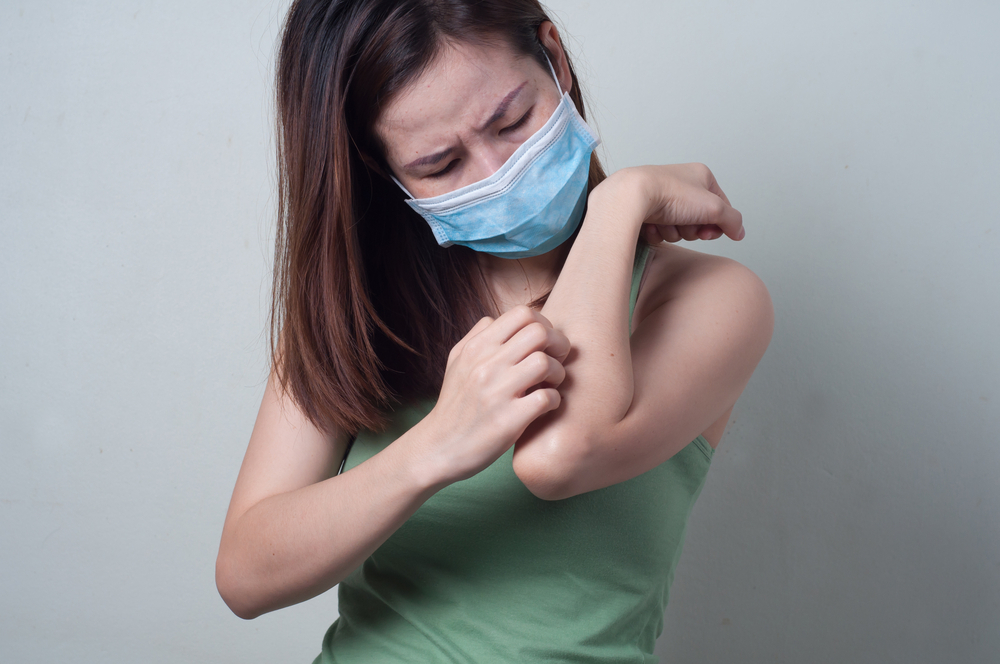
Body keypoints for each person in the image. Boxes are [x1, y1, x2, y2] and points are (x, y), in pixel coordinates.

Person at [216, 0, 774, 661]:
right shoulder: (361, 312)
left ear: (554, 59)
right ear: (383, 172)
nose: (495, 174)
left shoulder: (707, 298)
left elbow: (557, 456)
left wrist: (616, 207)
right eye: (439, 164)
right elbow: (246, 575)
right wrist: (437, 444)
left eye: (511, 121)